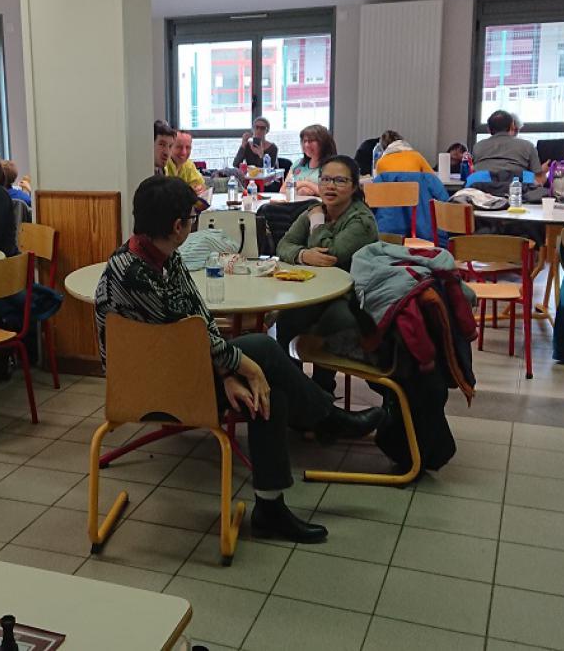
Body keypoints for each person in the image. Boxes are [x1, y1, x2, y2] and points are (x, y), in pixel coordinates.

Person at [94, 176, 383, 542]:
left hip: (178, 367)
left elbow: (196, 321)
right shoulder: (134, 273)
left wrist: (229, 372)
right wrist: (242, 368)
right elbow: (188, 337)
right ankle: (325, 421)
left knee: (269, 388)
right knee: (261, 353)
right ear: (178, 226)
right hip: (149, 389)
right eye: (191, 218)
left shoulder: (160, 256)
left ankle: (272, 504)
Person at [275, 156, 381, 393]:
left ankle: (323, 390)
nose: (330, 186)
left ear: (354, 187)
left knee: (335, 320)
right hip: (313, 290)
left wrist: (317, 222)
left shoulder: (361, 220)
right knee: (287, 319)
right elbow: (283, 245)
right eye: (325, 180)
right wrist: (303, 255)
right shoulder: (315, 210)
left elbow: (330, 254)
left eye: (340, 181)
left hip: (351, 296)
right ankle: (294, 392)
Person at [471, 110, 543, 179]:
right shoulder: (528, 146)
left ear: (488, 129)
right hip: (517, 186)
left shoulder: (477, 147)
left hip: (481, 186)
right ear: (512, 126)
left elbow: (473, 170)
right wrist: (543, 171)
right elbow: (538, 178)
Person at [288, 124, 338, 196]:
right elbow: (284, 189)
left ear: (323, 143)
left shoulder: (333, 166)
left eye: (311, 141)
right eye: (304, 141)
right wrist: (299, 188)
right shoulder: (298, 163)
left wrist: (306, 184)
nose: (306, 145)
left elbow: (329, 192)